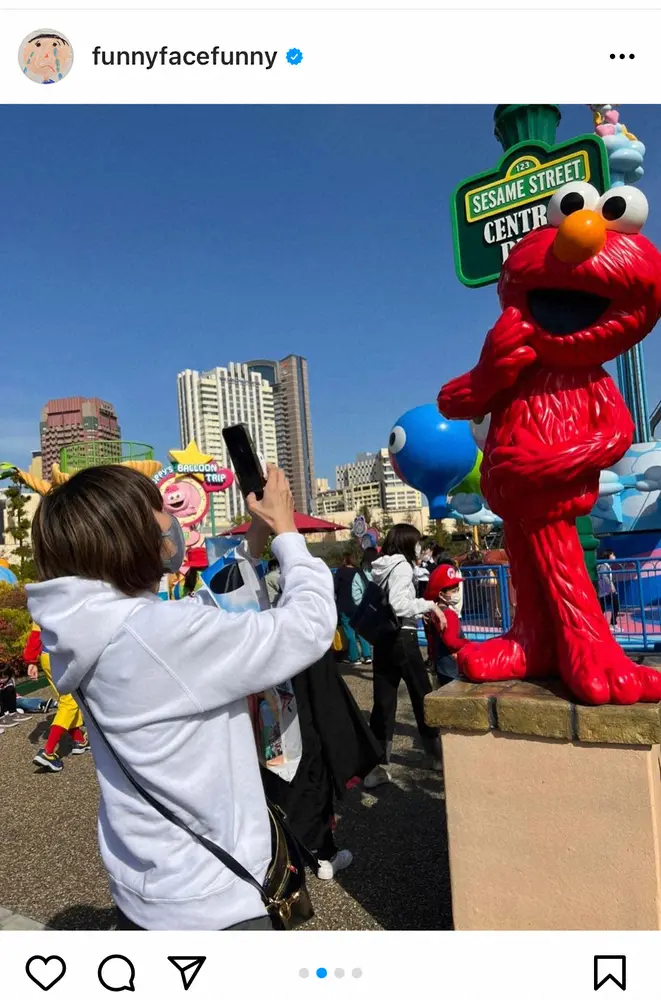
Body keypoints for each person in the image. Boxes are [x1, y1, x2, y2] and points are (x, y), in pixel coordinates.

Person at [27, 463, 336, 931]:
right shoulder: (157, 635)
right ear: (132, 536)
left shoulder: (92, 629)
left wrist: (254, 542)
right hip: (215, 901)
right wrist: (288, 534)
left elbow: (199, 614)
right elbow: (309, 627)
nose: (170, 521)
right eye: (159, 511)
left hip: (150, 887)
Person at [260, 648, 380, 881]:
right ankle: (323, 854)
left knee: (273, 774)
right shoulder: (304, 629)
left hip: (265, 708)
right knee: (313, 768)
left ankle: (279, 857)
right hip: (303, 711)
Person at [363, 524, 445, 789]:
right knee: (422, 694)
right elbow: (400, 604)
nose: (421, 546)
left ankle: (376, 766)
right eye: (418, 541)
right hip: (403, 637)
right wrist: (429, 605)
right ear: (409, 542)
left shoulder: (381, 566)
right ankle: (437, 755)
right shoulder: (402, 566)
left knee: (383, 702)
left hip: (383, 640)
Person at [23, 623, 91, 772]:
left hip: (47, 656)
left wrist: (31, 660)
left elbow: (36, 634)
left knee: (67, 700)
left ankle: (79, 740)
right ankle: (48, 752)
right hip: (62, 657)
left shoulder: (42, 602)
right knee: (70, 703)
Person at [423, 565, 468, 686]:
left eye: (457, 589)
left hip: (440, 665)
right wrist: (467, 642)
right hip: (451, 667)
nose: (457, 593)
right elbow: (451, 641)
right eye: (453, 591)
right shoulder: (449, 615)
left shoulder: (433, 613)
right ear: (441, 594)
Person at [334, 553, 371, 666]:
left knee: (349, 632)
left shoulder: (340, 572)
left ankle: (354, 657)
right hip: (359, 605)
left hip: (344, 606)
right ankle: (367, 655)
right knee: (361, 631)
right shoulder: (359, 571)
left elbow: (335, 588)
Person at [597, 548, 620, 628]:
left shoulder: (606, 566)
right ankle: (611, 624)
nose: (614, 556)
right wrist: (611, 586)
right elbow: (604, 576)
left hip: (605, 591)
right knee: (613, 606)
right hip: (606, 591)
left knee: (613, 606)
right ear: (608, 556)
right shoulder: (604, 566)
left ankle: (612, 623)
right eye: (613, 555)